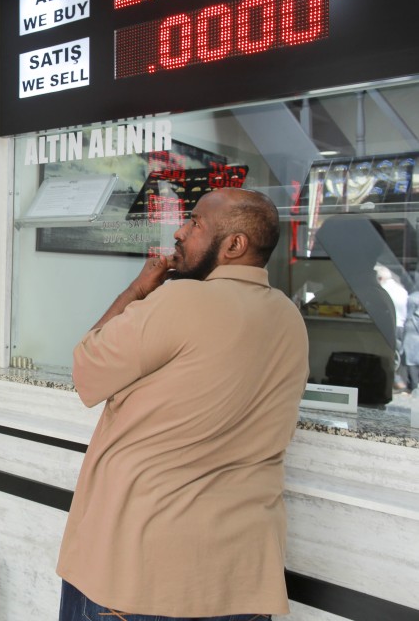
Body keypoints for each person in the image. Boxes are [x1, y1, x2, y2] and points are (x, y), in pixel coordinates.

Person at [57, 188, 309, 621]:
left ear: (234, 245)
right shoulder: (290, 319)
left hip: (141, 573)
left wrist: (139, 288)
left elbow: (86, 368)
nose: (180, 231)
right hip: (241, 580)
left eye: (195, 223)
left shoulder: (179, 300)